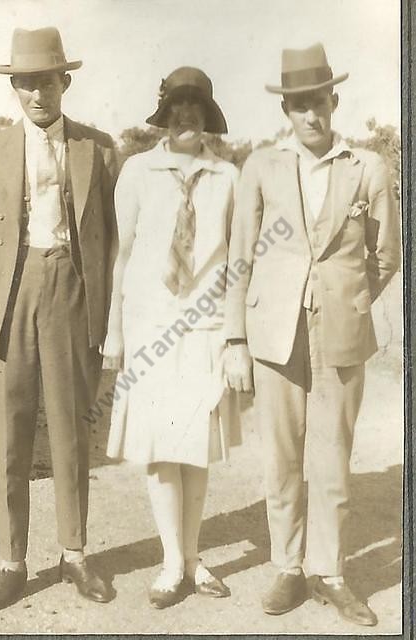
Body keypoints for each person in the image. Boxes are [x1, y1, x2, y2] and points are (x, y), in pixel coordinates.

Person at [224, 43, 400, 626]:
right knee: (282, 456)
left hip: (340, 335)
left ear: (334, 99)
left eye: (318, 102)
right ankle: (288, 567)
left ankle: (330, 571)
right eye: (299, 105)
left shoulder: (367, 166)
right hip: (274, 332)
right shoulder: (261, 166)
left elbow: (385, 256)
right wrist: (236, 339)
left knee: (332, 457)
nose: (311, 115)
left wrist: (348, 302)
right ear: (287, 110)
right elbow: (240, 258)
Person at [0, 27, 118, 611]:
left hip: (72, 292)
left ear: (66, 82)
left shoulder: (98, 148)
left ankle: (75, 555)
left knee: (71, 430)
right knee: (9, 433)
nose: (37, 94)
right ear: (15, 88)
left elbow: (107, 234)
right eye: (26, 84)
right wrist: (10, 271)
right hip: (11, 292)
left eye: (46, 82)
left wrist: (92, 301)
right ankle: (11, 561)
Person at [103, 67, 241, 608]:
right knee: (161, 451)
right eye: (177, 106)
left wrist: (234, 338)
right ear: (164, 115)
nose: (186, 115)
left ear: (208, 116)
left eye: (196, 106)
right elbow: (122, 254)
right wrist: (115, 332)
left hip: (205, 330)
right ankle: (170, 564)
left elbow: (237, 261)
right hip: (151, 330)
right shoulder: (137, 171)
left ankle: (194, 558)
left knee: (196, 452)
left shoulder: (227, 177)